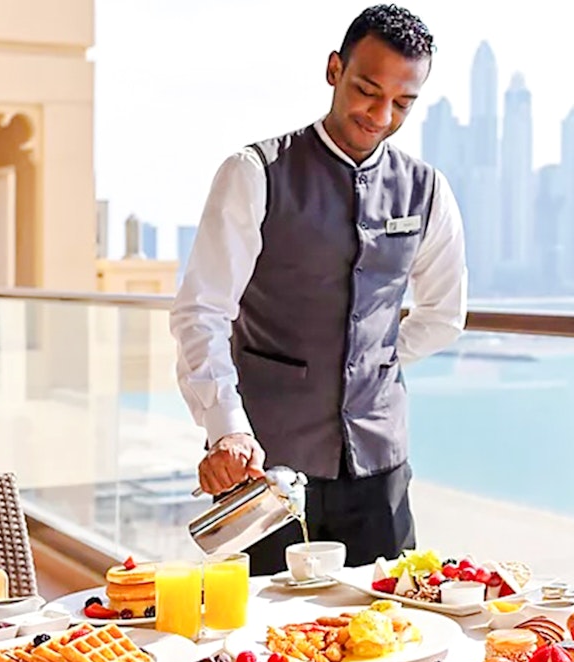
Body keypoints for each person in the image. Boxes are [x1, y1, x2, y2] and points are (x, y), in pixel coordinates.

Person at [170, 4, 467, 576]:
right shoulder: (254, 172)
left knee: (388, 634)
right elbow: (201, 313)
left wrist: (370, 363)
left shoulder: (428, 191)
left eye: (402, 103)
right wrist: (226, 427)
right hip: (266, 470)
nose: (380, 115)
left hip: (379, 472)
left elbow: (444, 314)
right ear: (334, 70)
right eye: (367, 90)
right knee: (260, 651)